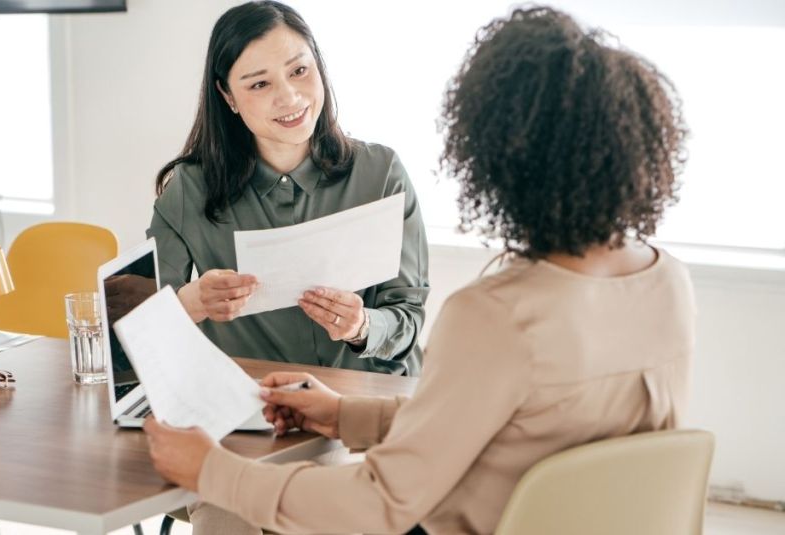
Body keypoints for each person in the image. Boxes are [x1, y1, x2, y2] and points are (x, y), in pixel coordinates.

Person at [143, 6, 693, 534]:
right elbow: (503, 430)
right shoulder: (669, 282)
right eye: (260, 82)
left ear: (492, 160)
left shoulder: (492, 315)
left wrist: (211, 470)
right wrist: (343, 415)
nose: (287, 94)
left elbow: (379, 504)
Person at [147, 1, 430, 378]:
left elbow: (408, 317)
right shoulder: (189, 189)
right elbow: (143, 325)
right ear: (228, 96)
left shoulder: (381, 174)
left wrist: (361, 326)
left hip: (368, 404)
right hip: (256, 409)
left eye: (299, 70)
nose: (290, 97)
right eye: (260, 83)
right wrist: (192, 301)